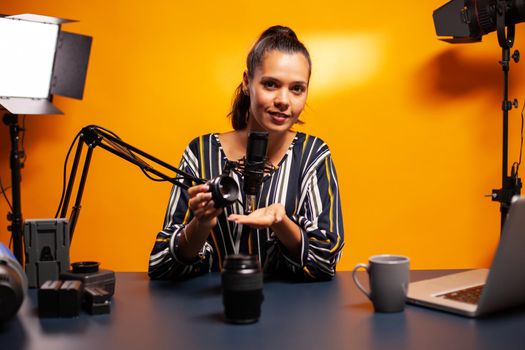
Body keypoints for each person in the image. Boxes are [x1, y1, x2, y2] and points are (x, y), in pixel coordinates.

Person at [148, 25, 344, 281]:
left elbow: (325, 262)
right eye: (271, 84)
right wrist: (202, 223)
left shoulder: (313, 155)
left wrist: (280, 221)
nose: (284, 100)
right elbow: (161, 265)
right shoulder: (201, 153)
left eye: (297, 88)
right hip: (213, 309)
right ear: (247, 82)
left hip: (293, 313)